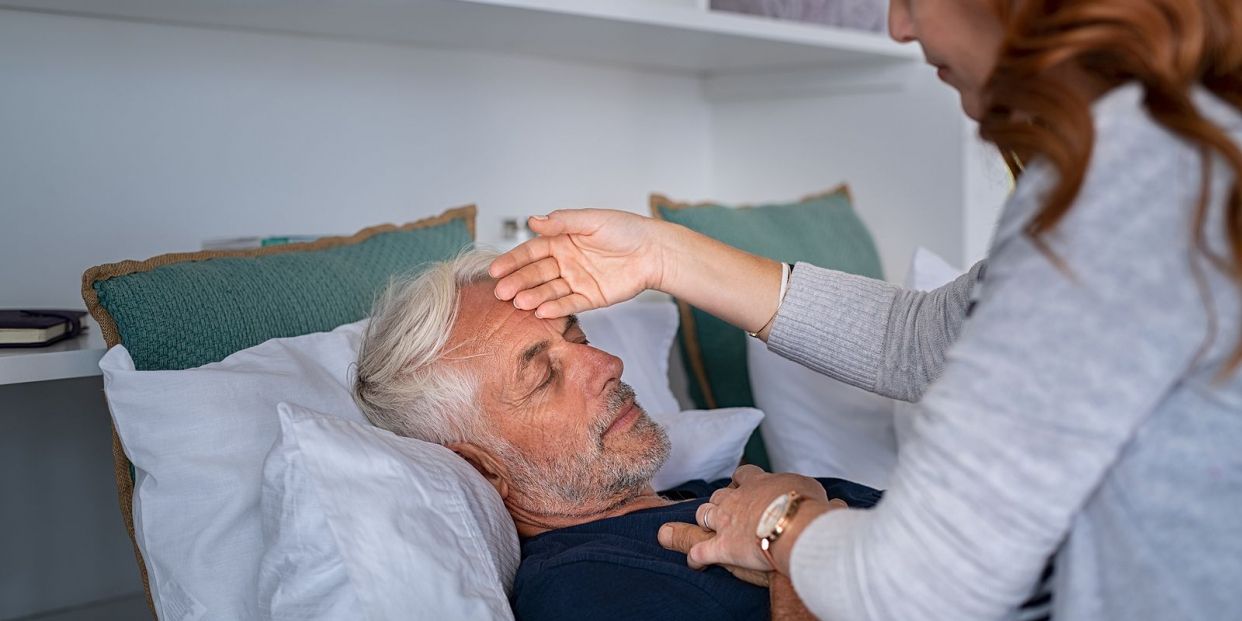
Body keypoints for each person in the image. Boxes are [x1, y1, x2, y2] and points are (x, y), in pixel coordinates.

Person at [486, 0, 1242, 618]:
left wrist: (785, 523)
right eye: (539, 372)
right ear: (477, 465)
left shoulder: (1126, 181)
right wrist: (665, 255)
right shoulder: (1187, 147)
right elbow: (933, 338)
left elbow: (921, 583)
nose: (898, 26)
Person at [352, 251, 869, 620]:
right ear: (486, 468)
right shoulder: (585, 589)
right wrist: (792, 536)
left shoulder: (717, 493)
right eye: (544, 378)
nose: (608, 364)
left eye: (578, 337)